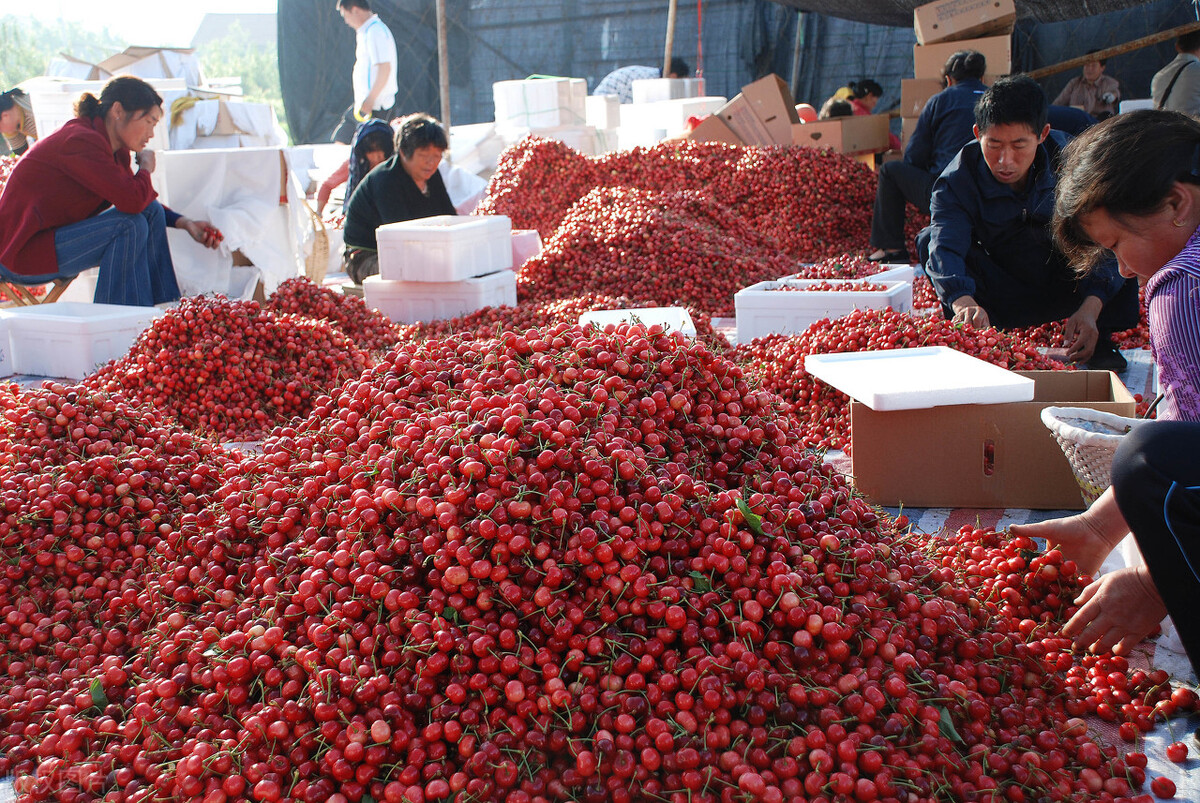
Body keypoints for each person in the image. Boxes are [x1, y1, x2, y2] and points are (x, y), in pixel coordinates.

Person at [1013, 109, 1200, 667]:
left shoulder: (1182, 286)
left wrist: (1150, 584)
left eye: (1117, 243)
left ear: (1175, 203)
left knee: (1148, 460)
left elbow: (1185, 450)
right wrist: (1099, 526)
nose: (1119, 271)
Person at [916, 75, 1139, 371]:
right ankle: (976, 339)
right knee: (928, 238)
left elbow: (1107, 235)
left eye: (1019, 145)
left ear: (1043, 134)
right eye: (993, 144)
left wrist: (1091, 307)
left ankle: (1101, 339)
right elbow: (946, 245)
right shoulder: (957, 180)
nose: (1005, 160)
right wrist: (962, 300)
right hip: (1003, 290)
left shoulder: (1075, 165)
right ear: (977, 132)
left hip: (1067, 281)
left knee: (1118, 223)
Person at [0, 77, 220, 307]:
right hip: (21, 253)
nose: (151, 134)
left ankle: (167, 310)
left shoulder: (113, 150)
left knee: (150, 212)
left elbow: (140, 202)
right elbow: (132, 202)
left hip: (52, 240)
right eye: (148, 121)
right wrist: (145, 168)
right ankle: (118, 322)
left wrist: (184, 223)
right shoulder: (81, 141)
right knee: (129, 226)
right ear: (117, 111)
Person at [867, 50, 988, 263]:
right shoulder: (994, 99)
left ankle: (891, 250)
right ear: (982, 79)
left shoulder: (940, 101)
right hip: (994, 192)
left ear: (949, 80)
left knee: (890, 171)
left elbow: (914, 157)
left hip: (946, 192)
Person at [341, 113, 456, 283]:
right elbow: (401, 237)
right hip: (367, 257)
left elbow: (449, 217)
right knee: (418, 269)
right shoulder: (386, 180)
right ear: (403, 152)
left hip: (413, 252)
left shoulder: (432, 176)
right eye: (424, 156)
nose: (431, 163)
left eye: (437, 156)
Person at [331, 0, 398, 145]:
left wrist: (370, 100)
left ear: (355, 10)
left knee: (372, 149)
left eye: (345, 15)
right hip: (364, 104)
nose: (346, 22)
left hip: (375, 107)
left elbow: (384, 68)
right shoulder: (366, 32)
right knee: (342, 139)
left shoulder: (376, 31)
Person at [316, 119, 394, 216]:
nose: (377, 156)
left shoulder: (397, 167)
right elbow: (327, 186)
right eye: (371, 151)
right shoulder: (353, 166)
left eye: (381, 150)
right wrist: (318, 213)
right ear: (363, 151)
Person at [1053, 49, 1120, 119]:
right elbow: (1057, 104)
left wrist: (1112, 96)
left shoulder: (1109, 83)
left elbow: (1115, 93)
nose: (1089, 69)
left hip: (1100, 125)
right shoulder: (1074, 83)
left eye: (1093, 66)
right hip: (1076, 122)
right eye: (1087, 65)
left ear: (1102, 68)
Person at [593, 58, 690, 104]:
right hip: (604, 103)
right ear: (673, 76)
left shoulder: (650, 75)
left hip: (605, 101)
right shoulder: (650, 83)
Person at [1151, 30, 1200, 116]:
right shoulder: (1197, 69)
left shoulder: (1159, 76)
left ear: (1177, 47)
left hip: (1165, 127)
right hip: (1191, 127)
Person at [0, 89, 37, 156]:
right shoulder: (11, 123)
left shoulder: (33, 113)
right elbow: (21, 154)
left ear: (5, 116)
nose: (1, 132)